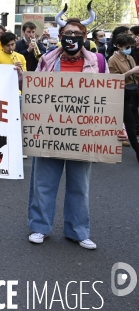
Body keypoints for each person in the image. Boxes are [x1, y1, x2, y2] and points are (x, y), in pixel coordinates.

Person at [28, 14, 107, 250]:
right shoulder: (46, 61)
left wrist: (113, 129)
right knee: (43, 182)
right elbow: (35, 91)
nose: (72, 38)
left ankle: (78, 231)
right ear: (60, 37)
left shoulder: (99, 61)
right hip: (49, 130)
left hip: (83, 133)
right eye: (67, 34)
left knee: (79, 185)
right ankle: (39, 227)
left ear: (84, 37)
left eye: (77, 35)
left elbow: (108, 97)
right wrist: (22, 79)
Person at [108, 34, 139, 162]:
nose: (129, 49)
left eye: (131, 46)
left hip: (133, 91)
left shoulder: (130, 57)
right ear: (118, 46)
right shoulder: (112, 60)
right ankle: (137, 150)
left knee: (132, 120)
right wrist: (131, 72)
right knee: (129, 121)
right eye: (127, 47)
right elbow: (113, 79)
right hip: (122, 93)